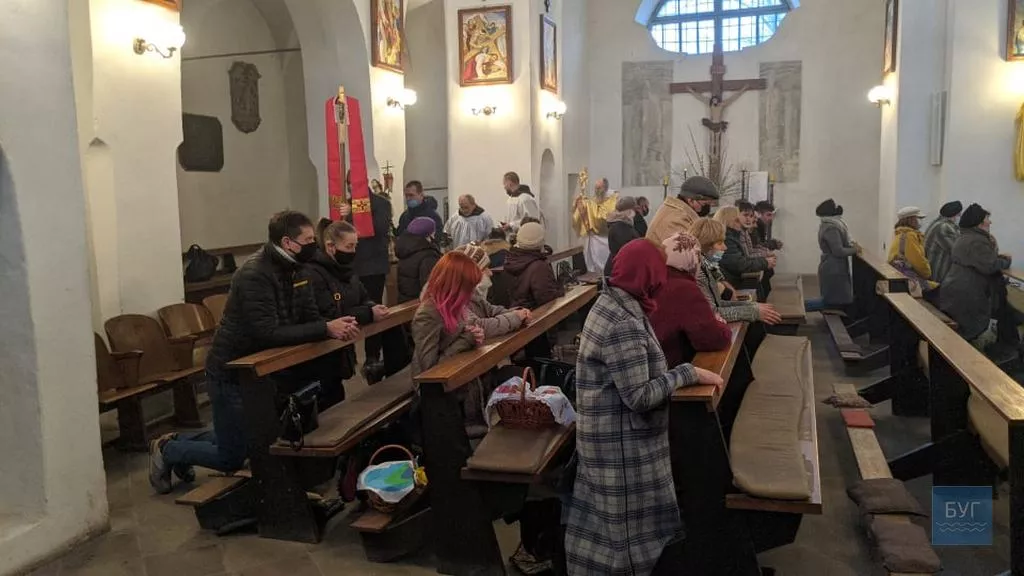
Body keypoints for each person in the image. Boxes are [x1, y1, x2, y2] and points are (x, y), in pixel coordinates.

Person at [149, 211, 360, 494]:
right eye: (309, 240)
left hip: (264, 369)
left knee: (253, 437)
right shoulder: (254, 274)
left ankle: (178, 442)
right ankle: (168, 450)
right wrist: (325, 328)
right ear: (287, 242)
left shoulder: (298, 268)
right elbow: (267, 332)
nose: (314, 245)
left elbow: (309, 314)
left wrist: (332, 326)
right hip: (231, 370)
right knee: (231, 457)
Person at [565, 239, 723, 576]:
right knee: (624, 534)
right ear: (648, 275)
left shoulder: (616, 301)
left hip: (612, 434)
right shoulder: (622, 322)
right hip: (619, 442)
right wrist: (687, 373)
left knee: (611, 526)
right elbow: (638, 396)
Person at [307, 220, 390, 406]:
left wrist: (372, 306)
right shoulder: (314, 273)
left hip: (342, 347)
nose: (353, 252)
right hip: (322, 352)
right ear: (331, 246)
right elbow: (332, 313)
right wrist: (369, 313)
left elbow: (364, 297)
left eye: (355, 246)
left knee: (337, 396)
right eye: (349, 246)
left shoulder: (348, 271)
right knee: (328, 401)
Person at [652, 232, 733, 369]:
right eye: (698, 255)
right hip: (673, 365)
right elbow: (712, 338)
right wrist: (722, 324)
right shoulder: (683, 288)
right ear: (692, 257)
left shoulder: (656, 279)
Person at [336, 184, 393, 377]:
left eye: (354, 183)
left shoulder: (380, 203)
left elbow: (378, 228)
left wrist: (352, 214)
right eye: (348, 184)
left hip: (372, 267)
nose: (351, 188)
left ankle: (372, 356)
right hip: (349, 267)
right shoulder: (347, 204)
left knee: (373, 310)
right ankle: (348, 357)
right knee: (347, 312)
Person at [940, 204, 1012, 351]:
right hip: (968, 293)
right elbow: (989, 265)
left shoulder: (965, 237)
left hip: (956, 288)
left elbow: (979, 259)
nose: (990, 222)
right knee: (968, 333)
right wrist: (1006, 261)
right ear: (979, 223)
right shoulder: (977, 240)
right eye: (987, 219)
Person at [691, 218, 781, 325]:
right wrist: (753, 311)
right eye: (720, 243)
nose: (725, 247)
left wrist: (753, 306)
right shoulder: (698, 273)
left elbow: (718, 304)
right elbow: (713, 314)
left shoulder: (707, 266)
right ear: (706, 245)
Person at [454, 244, 531, 338]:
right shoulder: (453, 299)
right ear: (470, 274)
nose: (490, 273)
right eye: (484, 269)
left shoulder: (470, 292)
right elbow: (478, 326)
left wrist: (517, 312)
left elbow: (491, 310)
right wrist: (515, 317)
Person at [505, 222, 565, 310]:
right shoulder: (539, 266)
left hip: (517, 312)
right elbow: (547, 298)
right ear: (541, 242)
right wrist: (561, 289)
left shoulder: (511, 259)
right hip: (537, 314)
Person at [646, 175, 719, 246]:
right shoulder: (675, 220)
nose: (707, 208)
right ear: (690, 200)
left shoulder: (677, 213)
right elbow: (687, 250)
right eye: (704, 204)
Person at [715, 206, 775, 289]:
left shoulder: (732, 235)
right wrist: (764, 262)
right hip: (731, 281)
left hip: (731, 278)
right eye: (737, 220)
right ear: (730, 221)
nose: (741, 222)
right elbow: (738, 264)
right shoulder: (728, 238)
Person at [887, 207, 940, 299]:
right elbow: (918, 261)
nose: (920, 221)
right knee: (938, 291)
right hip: (909, 280)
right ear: (911, 219)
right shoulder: (910, 236)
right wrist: (927, 273)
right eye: (918, 218)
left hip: (900, 277)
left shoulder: (901, 233)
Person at [817, 198, 858, 312]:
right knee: (833, 302)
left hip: (834, 266)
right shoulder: (831, 227)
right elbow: (838, 251)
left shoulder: (829, 224)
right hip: (833, 268)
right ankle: (802, 306)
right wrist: (856, 250)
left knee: (835, 300)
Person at [572, 177, 619, 273]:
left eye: (599, 188)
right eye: (595, 188)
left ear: (605, 188)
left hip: (607, 239)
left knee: (607, 265)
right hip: (594, 239)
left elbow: (604, 218)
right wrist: (581, 205)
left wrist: (590, 209)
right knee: (595, 266)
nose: (596, 191)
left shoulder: (613, 200)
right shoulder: (593, 201)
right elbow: (588, 213)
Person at [396, 216, 442, 303]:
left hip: (405, 301)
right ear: (429, 233)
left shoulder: (406, 248)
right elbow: (430, 287)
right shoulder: (428, 255)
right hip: (419, 304)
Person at [924, 200, 963, 283]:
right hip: (938, 272)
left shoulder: (937, 223)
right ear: (954, 214)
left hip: (932, 270)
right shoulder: (944, 227)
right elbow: (957, 249)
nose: (960, 216)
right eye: (959, 214)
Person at [603, 195, 641, 277]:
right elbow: (627, 250)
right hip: (618, 270)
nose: (635, 213)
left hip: (619, 267)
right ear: (628, 211)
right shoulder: (619, 227)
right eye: (634, 209)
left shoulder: (624, 224)